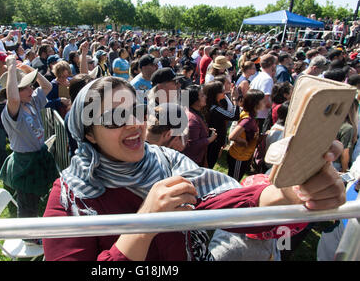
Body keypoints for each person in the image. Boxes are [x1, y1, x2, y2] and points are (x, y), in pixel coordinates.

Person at [42, 76, 347, 261]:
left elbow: (227, 203)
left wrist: (292, 191)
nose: (133, 123)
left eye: (136, 110)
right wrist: (145, 222)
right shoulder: (68, 197)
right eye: (113, 118)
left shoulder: (166, 160)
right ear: (89, 134)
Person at [0, 56, 58, 245]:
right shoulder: (11, 110)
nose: (32, 89)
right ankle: (28, 235)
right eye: (27, 86)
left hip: (39, 155)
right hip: (25, 162)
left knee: (44, 191)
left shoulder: (31, 102)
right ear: (14, 90)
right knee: (27, 202)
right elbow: (13, 97)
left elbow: (47, 87)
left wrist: (31, 71)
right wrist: (9, 68)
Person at [227, 89, 265, 181]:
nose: (265, 102)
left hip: (243, 156)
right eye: (263, 101)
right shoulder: (248, 120)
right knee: (233, 182)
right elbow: (232, 136)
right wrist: (243, 142)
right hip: (239, 157)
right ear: (256, 103)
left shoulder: (251, 115)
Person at [181, 85, 217, 166]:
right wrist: (210, 139)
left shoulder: (193, 111)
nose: (206, 97)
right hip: (192, 163)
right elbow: (192, 146)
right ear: (194, 100)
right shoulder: (192, 120)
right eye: (202, 95)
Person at [249, 54, 277, 131]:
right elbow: (265, 100)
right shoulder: (267, 79)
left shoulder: (258, 76)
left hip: (256, 114)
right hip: (262, 116)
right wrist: (275, 108)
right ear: (272, 64)